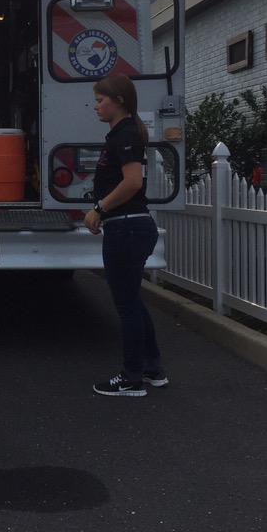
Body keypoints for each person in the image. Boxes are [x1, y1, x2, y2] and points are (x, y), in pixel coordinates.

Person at [82, 74, 165, 397]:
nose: (96, 107)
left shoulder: (126, 134)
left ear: (118, 101)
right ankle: (152, 369)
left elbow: (132, 182)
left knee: (126, 304)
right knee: (133, 301)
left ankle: (132, 378)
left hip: (127, 227)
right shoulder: (121, 134)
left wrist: (99, 209)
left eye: (101, 100)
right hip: (129, 226)